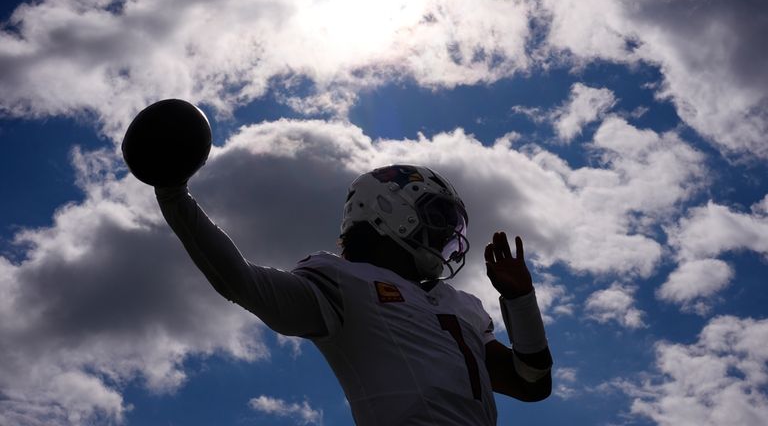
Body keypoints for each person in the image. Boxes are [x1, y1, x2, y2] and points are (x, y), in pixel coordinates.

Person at [156, 164, 552, 425]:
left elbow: (531, 384)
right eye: (437, 220)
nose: (447, 236)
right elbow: (240, 282)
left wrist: (521, 301)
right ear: (391, 212)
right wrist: (174, 196)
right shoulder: (344, 282)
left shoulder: (460, 305)